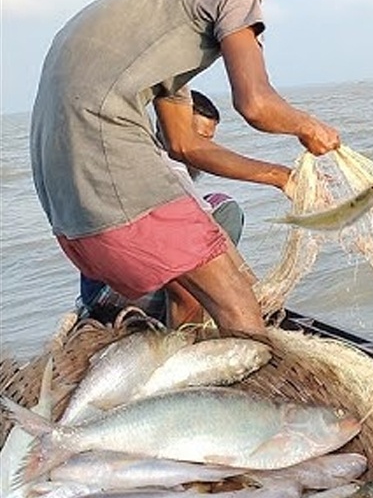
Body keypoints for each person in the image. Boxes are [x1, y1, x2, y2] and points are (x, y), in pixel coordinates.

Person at [30, 0, 340, 340]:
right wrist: (309, 127)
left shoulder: (161, 12)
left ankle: (183, 369)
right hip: (109, 170)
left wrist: (283, 178)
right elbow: (256, 104)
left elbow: (184, 144)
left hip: (66, 204)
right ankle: (245, 392)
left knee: (189, 291)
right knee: (237, 302)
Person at [77, 90, 264, 326]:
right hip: (108, 294)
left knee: (225, 206)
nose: (203, 149)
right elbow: (211, 231)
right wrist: (251, 290)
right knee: (189, 263)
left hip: (137, 266)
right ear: (168, 129)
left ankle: (201, 298)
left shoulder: (168, 164)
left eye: (208, 140)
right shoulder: (157, 166)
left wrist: (252, 288)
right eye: (197, 139)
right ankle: (182, 335)